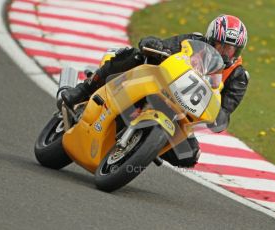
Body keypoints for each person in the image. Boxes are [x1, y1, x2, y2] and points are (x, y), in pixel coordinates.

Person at [61, 14, 249, 168]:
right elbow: (168, 45)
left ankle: (144, 147)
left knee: (189, 155)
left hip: (181, 114)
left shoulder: (238, 76)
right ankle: (83, 89)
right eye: (221, 46)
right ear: (210, 39)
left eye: (231, 50)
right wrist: (156, 46)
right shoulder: (194, 40)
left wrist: (221, 117)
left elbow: (226, 108)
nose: (224, 53)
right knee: (135, 55)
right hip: (160, 85)